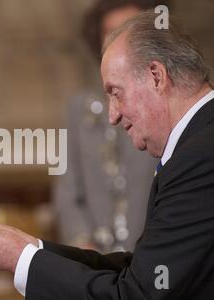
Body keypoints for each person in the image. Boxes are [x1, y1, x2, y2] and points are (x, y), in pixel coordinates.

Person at [0, 11, 214, 299]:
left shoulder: (204, 158)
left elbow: (136, 294)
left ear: (156, 76)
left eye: (116, 93)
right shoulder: (208, 138)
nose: (112, 115)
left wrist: (20, 260)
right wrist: (32, 249)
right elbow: (138, 270)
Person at [54, 0, 163, 252]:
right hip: (96, 263)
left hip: (152, 255)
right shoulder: (78, 108)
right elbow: (67, 190)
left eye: (131, 30)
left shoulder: (164, 105)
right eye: (111, 32)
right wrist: (83, 245)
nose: (121, 41)